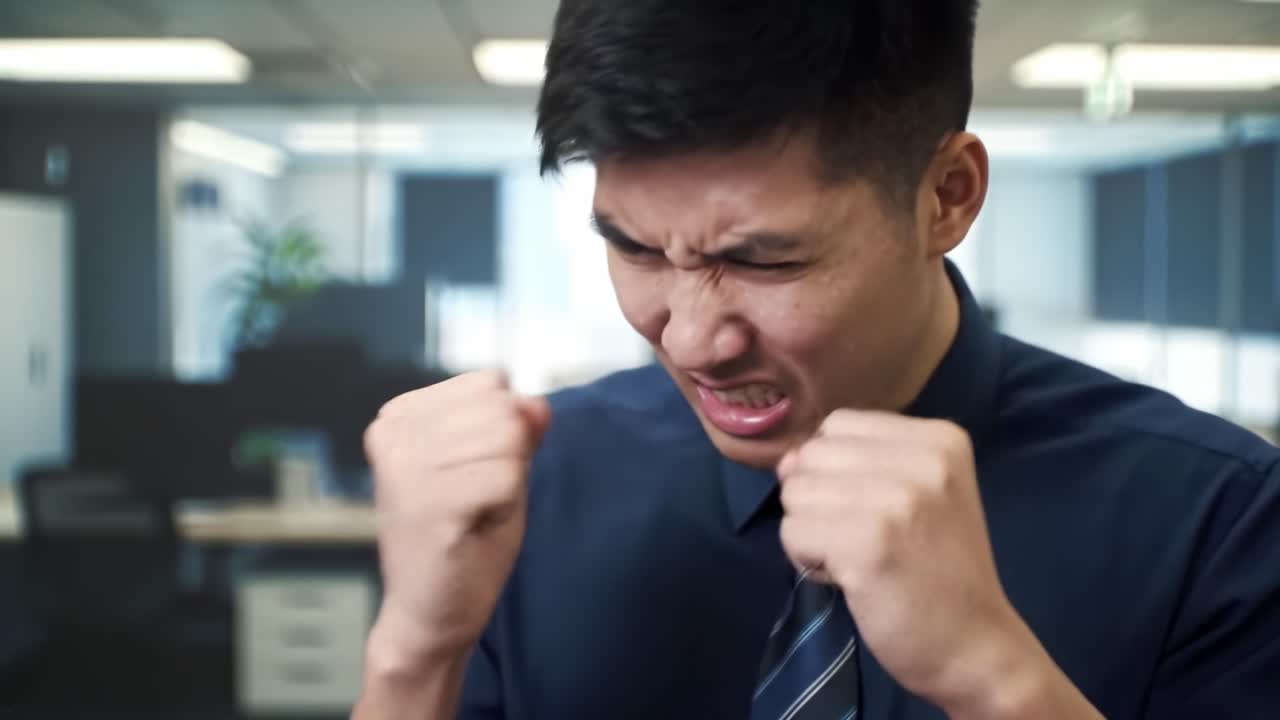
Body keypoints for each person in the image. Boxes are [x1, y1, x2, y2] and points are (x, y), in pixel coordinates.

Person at [354, 1, 1280, 718]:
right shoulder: (537, 491)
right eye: (635, 248)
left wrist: (995, 678)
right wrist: (412, 655)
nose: (690, 340)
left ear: (948, 197)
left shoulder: (1220, 520)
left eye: (764, 261)